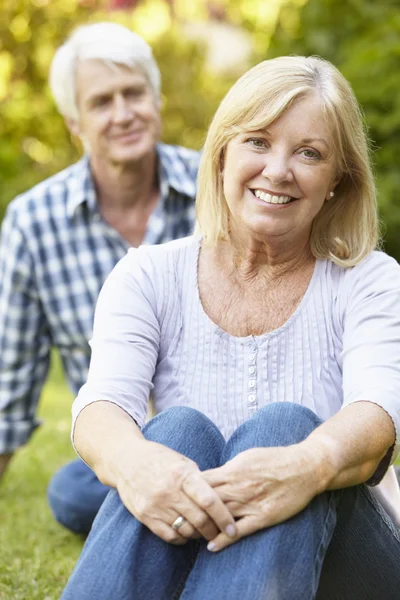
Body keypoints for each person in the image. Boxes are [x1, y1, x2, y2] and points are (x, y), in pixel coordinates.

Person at [62, 55, 400, 599]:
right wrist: (134, 463)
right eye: (258, 142)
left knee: (287, 427)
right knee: (173, 434)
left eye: (309, 153)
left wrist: (305, 467)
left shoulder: (371, 281)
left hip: (351, 555)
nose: (278, 170)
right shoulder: (147, 274)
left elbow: (378, 416)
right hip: (195, 531)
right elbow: (102, 405)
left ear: (338, 180)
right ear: (221, 154)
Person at [0, 22, 199, 535]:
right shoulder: (32, 222)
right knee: (70, 492)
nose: (123, 113)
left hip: (226, 428)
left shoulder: (216, 187)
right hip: (120, 452)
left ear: (155, 99)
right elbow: (11, 376)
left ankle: (194, 506)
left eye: (134, 93)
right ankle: (205, 507)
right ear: (75, 122)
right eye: (102, 101)